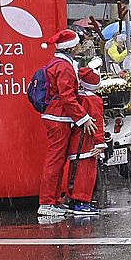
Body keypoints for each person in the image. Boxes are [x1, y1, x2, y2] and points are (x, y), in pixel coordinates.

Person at [30, 29, 88, 222]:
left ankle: (52, 200)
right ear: (71, 48)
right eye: (79, 43)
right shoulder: (64, 67)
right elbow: (67, 97)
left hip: (56, 116)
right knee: (55, 160)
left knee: (57, 159)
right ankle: (47, 202)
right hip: (59, 118)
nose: (81, 46)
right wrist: (83, 117)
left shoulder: (57, 64)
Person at [63, 63, 106, 217]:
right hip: (87, 143)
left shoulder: (78, 97)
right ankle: (82, 202)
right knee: (86, 173)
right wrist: (100, 143)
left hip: (76, 139)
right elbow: (97, 122)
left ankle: (74, 199)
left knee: (75, 171)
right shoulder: (94, 100)